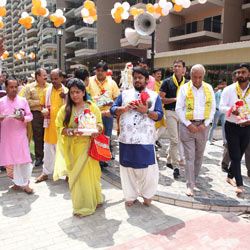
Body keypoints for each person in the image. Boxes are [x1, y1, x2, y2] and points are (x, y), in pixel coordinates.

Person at [110, 67, 163, 206]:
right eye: (135, 77)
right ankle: (130, 195)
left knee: (148, 170)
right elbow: (112, 109)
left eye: (140, 77)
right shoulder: (124, 94)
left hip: (145, 140)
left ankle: (147, 194)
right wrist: (122, 109)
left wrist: (145, 111)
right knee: (127, 168)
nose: (137, 80)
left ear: (146, 80)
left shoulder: (154, 96)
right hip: (126, 139)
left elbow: (159, 115)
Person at [54, 78, 103, 217]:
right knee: (77, 178)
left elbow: (100, 124)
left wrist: (96, 130)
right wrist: (72, 132)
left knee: (90, 176)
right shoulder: (65, 110)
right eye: (72, 92)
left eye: (78, 92)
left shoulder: (91, 107)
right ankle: (82, 205)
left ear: (83, 92)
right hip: (73, 149)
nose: (74, 95)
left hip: (89, 148)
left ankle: (92, 202)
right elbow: (59, 128)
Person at [176, 64, 216, 196]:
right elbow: (179, 109)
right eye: (195, 77)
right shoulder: (184, 89)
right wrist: (189, 125)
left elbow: (212, 108)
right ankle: (190, 185)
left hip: (203, 127)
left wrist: (205, 124)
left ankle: (194, 177)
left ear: (203, 76)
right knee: (189, 156)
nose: (197, 80)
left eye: (200, 77)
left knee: (199, 156)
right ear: (190, 75)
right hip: (187, 127)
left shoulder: (208, 88)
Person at [219, 63, 250, 194]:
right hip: (232, 127)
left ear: (249, 74)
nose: (239, 75)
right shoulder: (229, 90)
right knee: (236, 156)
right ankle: (239, 184)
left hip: (247, 127)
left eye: (243, 72)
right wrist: (232, 110)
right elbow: (221, 107)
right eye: (238, 72)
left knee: (240, 153)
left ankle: (229, 176)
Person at [0, 77, 33, 194]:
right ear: (6, 88)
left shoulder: (23, 101)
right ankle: (17, 182)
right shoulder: (1, 102)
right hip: (7, 137)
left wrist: (23, 118)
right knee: (10, 162)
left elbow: (30, 116)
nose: (14, 89)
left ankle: (25, 184)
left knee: (23, 161)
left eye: (16, 87)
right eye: (11, 87)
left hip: (20, 137)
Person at [35, 69, 68, 183]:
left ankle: (68, 174)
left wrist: (66, 97)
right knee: (48, 152)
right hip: (49, 128)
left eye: (56, 79)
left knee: (65, 152)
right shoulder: (46, 91)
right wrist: (43, 110)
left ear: (61, 78)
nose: (53, 81)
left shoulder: (67, 92)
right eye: (51, 79)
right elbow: (42, 105)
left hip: (62, 128)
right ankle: (45, 173)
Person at [87, 61, 120, 167]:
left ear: (106, 72)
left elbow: (117, 98)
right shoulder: (90, 81)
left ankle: (102, 158)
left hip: (107, 114)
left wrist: (112, 103)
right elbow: (85, 95)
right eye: (98, 70)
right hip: (93, 114)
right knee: (93, 135)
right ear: (95, 71)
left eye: (102, 71)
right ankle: (93, 156)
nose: (100, 73)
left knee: (106, 136)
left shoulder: (112, 83)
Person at [159, 59, 188, 178]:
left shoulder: (188, 83)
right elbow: (160, 99)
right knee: (175, 140)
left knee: (176, 140)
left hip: (183, 114)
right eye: (174, 66)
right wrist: (175, 99)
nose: (176, 68)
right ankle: (176, 167)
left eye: (179, 66)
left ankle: (170, 159)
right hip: (170, 112)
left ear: (184, 69)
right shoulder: (167, 82)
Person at [25, 68, 49, 167]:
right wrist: (40, 102)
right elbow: (26, 102)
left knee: (47, 136)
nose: (46, 77)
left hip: (48, 114)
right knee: (38, 136)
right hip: (36, 114)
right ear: (38, 76)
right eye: (44, 75)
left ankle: (48, 157)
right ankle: (39, 158)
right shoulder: (29, 87)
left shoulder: (50, 86)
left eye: (46, 75)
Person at [208, 79, 227, 145]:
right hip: (217, 110)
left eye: (225, 84)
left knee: (224, 126)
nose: (224, 85)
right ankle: (210, 139)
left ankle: (224, 140)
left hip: (223, 112)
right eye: (223, 84)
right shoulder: (217, 92)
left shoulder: (226, 93)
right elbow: (213, 100)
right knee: (214, 125)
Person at [152, 68, 167, 149]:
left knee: (164, 125)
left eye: (160, 74)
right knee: (153, 126)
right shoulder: (152, 84)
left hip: (162, 107)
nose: (159, 75)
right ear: (153, 75)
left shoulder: (162, 83)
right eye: (157, 73)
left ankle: (154, 140)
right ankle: (153, 141)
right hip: (154, 108)